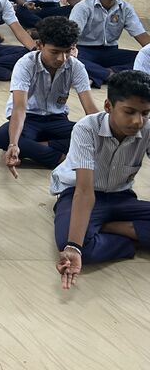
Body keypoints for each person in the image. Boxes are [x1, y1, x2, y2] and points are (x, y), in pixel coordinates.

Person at [52, 70, 150, 290]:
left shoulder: (148, 128)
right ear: (108, 106)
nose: (138, 121)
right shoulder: (87, 128)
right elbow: (84, 192)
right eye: (129, 111)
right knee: (75, 248)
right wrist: (74, 247)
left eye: (145, 113)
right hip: (80, 193)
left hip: (122, 197)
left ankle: (112, 228)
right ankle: (131, 239)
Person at [0, 17, 98, 176]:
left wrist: (107, 133)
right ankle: (60, 159)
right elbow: (19, 109)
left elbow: (91, 110)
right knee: (2, 137)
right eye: (55, 52)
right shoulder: (26, 64)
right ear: (40, 45)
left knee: (92, 136)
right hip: (28, 119)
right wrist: (13, 144)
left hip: (57, 119)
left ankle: (38, 147)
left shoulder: (76, 67)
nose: (61, 59)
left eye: (67, 51)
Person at [70, 0, 150, 88]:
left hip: (110, 52)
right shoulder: (83, 7)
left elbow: (142, 36)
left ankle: (97, 75)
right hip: (84, 51)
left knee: (144, 59)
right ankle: (110, 75)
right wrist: (71, 52)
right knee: (69, 59)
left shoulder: (126, 8)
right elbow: (71, 37)